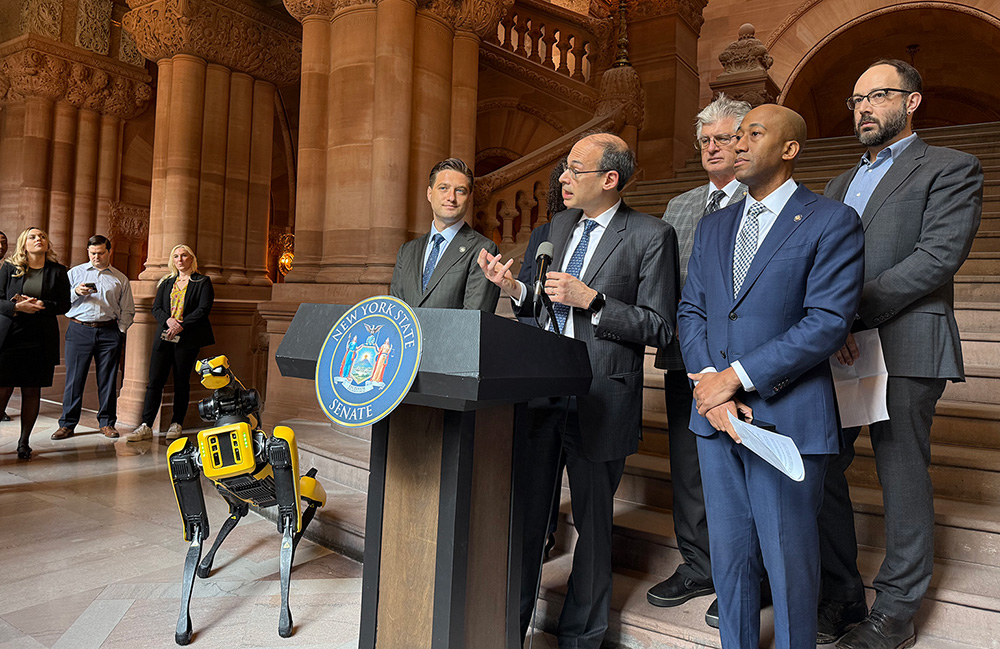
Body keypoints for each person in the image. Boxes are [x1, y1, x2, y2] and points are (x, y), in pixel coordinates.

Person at [479, 132, 678, 648]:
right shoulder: (557, 227)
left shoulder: (651, 235)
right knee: (526, 520)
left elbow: (659, 326)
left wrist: (593, 301)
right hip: (543, 392)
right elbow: (540, 305)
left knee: (592, 526)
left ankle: (581, 638)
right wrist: (514, 288)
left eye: (573, 170)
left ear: (610, 180)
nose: (562, 179)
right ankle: (507, 630)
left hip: (602, 396)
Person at [677, 104, 864, 649]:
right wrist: (711, 385)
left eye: (752, 134)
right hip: (715, 420)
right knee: (731, 561)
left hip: (788, 420)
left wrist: (735, 378)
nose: (736, 144)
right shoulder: (714, 226)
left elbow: (827, 323)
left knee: (789, 566)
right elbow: (693, 311)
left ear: (789, 149)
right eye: (734, 135)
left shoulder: (831, 220)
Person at [817, 59, 984, 649]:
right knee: (822, 464)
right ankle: (839, 595)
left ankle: (896, 610)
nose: (863, 107)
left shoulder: (950, 167)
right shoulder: (839, 183)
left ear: (912, 102)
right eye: (855, 99)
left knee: (901, 473)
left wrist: (848, 313)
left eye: (877, 96)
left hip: (906, 336)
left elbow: (938, 256)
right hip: (836, 345)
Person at [647, 94, 751, 624]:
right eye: (705, 140)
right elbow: (668, 282)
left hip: (742, 362)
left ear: (747, 141)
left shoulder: (763, 198)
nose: (713, 147)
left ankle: (746, 574)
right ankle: (698, 564)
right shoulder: (681, 204)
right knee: (688, 469)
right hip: (684, 357)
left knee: (739, 467)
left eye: (724, 138)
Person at [126, 244, 215, 442]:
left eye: (184, 256)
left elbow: (203, 309)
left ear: (191, 259)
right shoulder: (166, 282)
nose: (180, 260)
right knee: (154, 381)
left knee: (181, 382)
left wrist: (181, 325)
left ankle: (177, 423)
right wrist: (168, 321)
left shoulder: (202, 282)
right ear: (172, 260)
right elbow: (156, 308)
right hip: (164, 335)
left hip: (187, 337)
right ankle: (146, 425)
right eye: (176, 256)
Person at [50, 235, 135, 440]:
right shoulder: (74, 273)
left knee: (107, 379)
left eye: (100, 253)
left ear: (109, 252)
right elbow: (61, 302)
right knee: (74, 379)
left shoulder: (120, 278)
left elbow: (128, 309)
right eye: (92, 253)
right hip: (79, 330)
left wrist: (120, 331)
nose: (96, 256)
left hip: (109, 331)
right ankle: (67, 424)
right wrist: (76, 292)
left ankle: (107, 423)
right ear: (88, 252)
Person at [389, 158, 501, 312]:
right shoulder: (406, 251)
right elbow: (395, 313)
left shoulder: (483, 250)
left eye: (460, 190)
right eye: (443, 188)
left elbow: (473, 322)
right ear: (429, 193)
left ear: (469, 199)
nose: (451, 198)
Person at [0, 228, 71, 459]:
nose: (38, 239)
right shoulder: (9, 268)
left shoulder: (58, 271)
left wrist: (41, 304)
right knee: (3, 389)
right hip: (10, 337)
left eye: (41, 236)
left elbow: (64, 305)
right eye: (32, 237)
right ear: (24, 244)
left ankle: (24, 443)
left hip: (40, 339)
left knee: (32, 391)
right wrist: (17, 307)